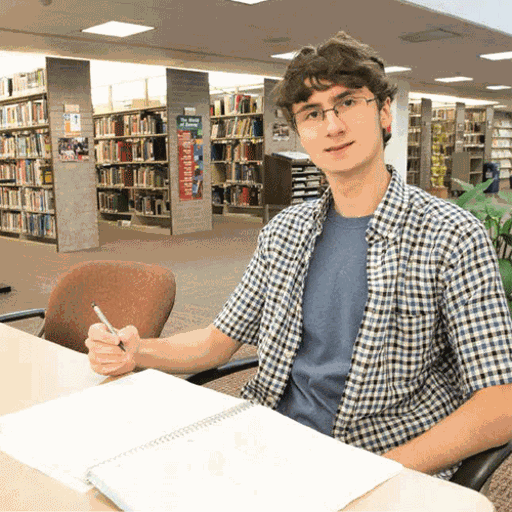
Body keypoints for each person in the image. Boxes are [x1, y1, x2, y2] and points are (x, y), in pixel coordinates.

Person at [86, 31, 512, 480]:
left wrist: (371, 472)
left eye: (348, 102)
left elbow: (500, 402)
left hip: (380, 456)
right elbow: (216, 341)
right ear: (300, 132)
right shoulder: (284, 233)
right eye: (312, 113)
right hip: (270, 439)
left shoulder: (451, 236)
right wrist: (137, 350)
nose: (332, 126)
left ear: (385, 112)